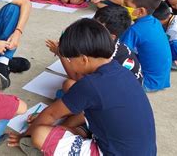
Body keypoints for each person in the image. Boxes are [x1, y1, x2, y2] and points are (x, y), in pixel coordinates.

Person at [11, 18, 157, 155]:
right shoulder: (120, 71)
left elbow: (51, 114)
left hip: (111, 152)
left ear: (84, 59)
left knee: (40, 134)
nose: (69, 62)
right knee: (70, 125)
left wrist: (25, 135)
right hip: (142, 150)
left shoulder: (91, 84)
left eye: (70, 59)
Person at [46, 5, 143, 98]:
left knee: (68, 85)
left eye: (95, 29)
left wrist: (61, 54)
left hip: (120, 98)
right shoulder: (113, 45)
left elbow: (76, 76)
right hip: (129, 93)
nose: (88, 29)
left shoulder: (104, 55)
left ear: (111, 36)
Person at [120, 0, 172, 92]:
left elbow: (119, 53)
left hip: (146, 81)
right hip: (161, 79)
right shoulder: (155, 22)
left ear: (141, 11)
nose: (122, 6)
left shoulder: (135, 30)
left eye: (126, 4)